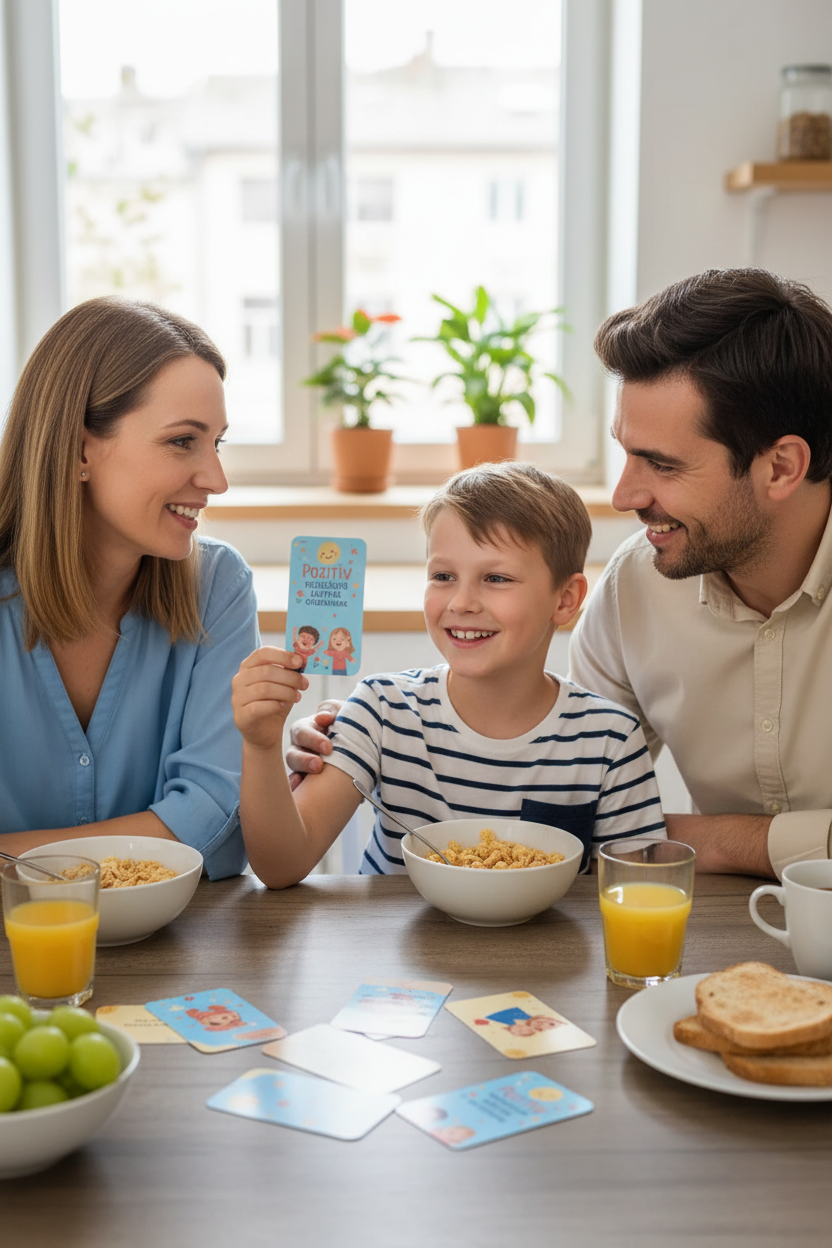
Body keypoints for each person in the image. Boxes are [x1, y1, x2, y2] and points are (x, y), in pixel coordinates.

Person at [287, 268, 832, 883]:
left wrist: (728, 843)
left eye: (662, 465)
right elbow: (566, 791)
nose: (625, 494)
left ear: (782, 467)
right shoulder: (640, 584)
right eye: (625, 451)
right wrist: (357, 742)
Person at [232, 463, 664, 888]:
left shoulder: (611, 741)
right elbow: (281, 865)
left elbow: (636, 896)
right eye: (443, 576)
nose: (462, 601)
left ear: (565, 599)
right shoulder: (382, 711)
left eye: (496, 578)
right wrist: (261, 743)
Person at [0, 296, 258, 879]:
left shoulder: (219, 586)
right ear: (80, 447)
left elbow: (212, 818)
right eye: (181, 441)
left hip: (181, 948)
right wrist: (157, 836)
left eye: (216, 442)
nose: (215, 479)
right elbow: (188, 829)